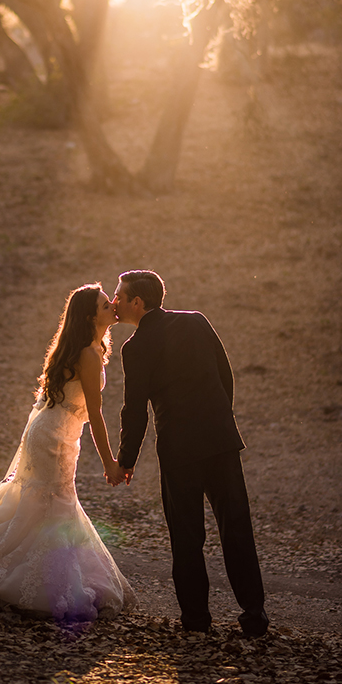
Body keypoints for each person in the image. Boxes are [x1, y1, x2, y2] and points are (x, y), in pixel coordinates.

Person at [0, 284, 137, 622]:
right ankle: (31, 584)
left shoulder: (91, 348)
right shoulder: (87, 354)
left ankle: (38, 575)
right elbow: (97, 413)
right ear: (90, 316)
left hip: (55, 430)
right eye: (106, 304)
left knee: (48, 502)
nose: (113, 305)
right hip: (54, 438)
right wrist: (110, 463)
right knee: (51, 502)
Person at [105, 269, 268, 637]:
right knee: (237, 528)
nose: (113, 302)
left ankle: (196, 621)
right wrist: (219, 418)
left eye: (118, 295)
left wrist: (126, 460)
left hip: (179, 451)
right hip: (221, 441)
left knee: (187, 537)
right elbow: (225, 376)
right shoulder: (197, 322)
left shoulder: (135, 347)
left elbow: (134, 410)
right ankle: (254, 616)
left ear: (136, 302)